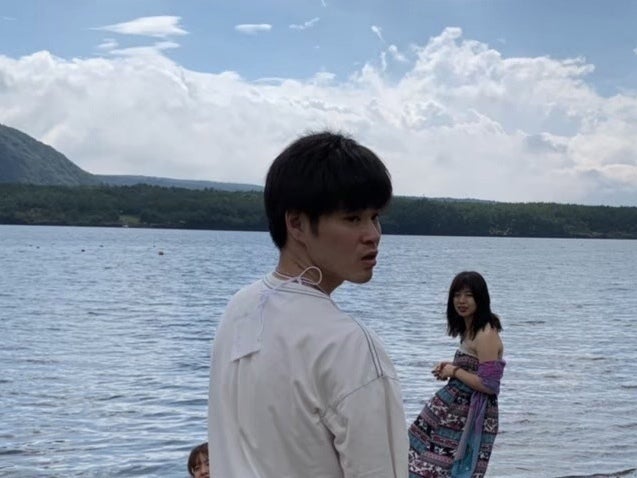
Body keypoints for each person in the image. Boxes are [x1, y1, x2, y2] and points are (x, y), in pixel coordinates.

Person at [208, 131, 408, 477]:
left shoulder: (241, 308)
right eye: (353, 218)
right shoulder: (348, 345)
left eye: (375, 216)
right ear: (297, 223)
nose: (373, 234)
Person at [408, 271, 505, 478]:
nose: (461, 301)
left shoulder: (485, 333)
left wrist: (454, 371)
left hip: (467, 416)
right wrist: (450, 368)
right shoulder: (469, 328)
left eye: (468, 295)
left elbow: (489, 384)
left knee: (439, 469)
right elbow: (475, 367)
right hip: (451, 412)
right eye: (457, 295)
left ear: (481, 298)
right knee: (414, 456)